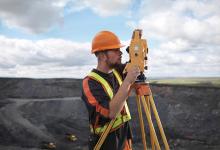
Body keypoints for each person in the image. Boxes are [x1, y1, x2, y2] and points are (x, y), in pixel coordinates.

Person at [81, 30, 140, 150]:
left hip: (124, 135)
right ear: (102, 55)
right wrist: (128, 81)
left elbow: (134, 63)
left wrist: (136, 43)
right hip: (106, 141)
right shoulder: (90, 82)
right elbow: (111, 112)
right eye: (115, 50)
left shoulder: (118, 71)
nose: (121, 53)